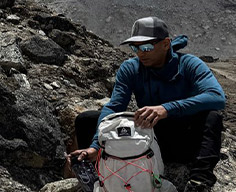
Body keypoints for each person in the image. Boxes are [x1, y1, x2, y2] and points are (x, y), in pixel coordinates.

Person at [69, 17, 225, 192]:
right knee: (87, 119)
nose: (140, 53)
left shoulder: (189, 64)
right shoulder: (131, 68)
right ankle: (99, 175)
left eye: (146, 47)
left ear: (166, 44)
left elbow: (216, 97)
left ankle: (199, 182)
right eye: (135, 47)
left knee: (212, 117)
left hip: (183, 139)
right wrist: (96, 145)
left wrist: (166, 109)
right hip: (147, 139)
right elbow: (114, 107)